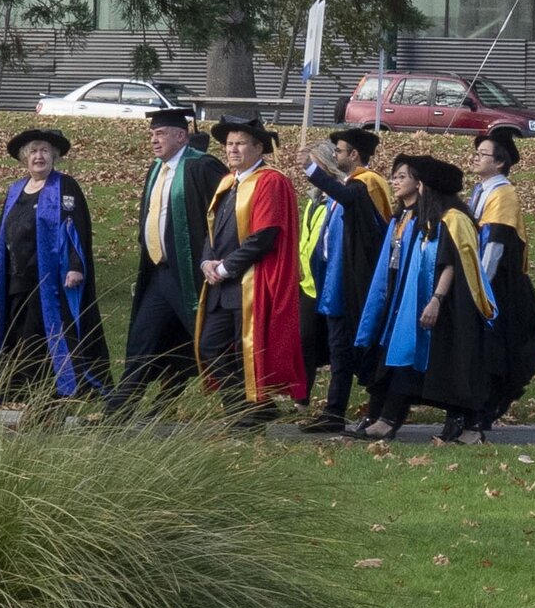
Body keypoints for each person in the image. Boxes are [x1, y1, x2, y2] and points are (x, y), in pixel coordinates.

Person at [359, 155, 499, 444]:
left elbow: (452, 264)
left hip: (454, 308)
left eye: (419, 182)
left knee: (456, 366)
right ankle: (388, 419)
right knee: (412, 360)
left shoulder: (455, 220)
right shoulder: (430, 220)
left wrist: (436, 299)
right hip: (429, 304)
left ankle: (468, 427)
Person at [0, 125, 105, 399]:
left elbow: (75, 227)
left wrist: (74, 265)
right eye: (33, 151)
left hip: (49, 278)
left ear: (54, 155)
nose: (39, 156)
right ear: (24, 157)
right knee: (16, 332)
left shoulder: (64, 186)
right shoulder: (16, 189)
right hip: (16, 277)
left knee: (38, 335)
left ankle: (54, 390)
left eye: (44, 151)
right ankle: (17, 389)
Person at [195, 116, 310, 415]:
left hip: (252, 283)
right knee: (210, 346)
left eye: (240, 144)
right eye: (229, 144)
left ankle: (249, 413)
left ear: (259, 147)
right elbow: (212, 230)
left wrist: (224, 268)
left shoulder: (270, 181)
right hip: (224, 286)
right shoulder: (227, 182)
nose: (232, 149)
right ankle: (249, 407)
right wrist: (207, 260)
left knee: (246, 352)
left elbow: (264, 237)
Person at [109, 107, 218, 409]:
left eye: (160, 134)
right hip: (158, 272)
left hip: (190, 274)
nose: (154, 141)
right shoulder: (157, 168)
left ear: (181, 136)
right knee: (142, 339)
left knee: (206, 342)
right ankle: (119, 409)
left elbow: (221, 219)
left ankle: (246, 403)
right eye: (152, 135)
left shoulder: (203, 167)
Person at [299, 129, 392, 432]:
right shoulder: (346, 188)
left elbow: (354, 203)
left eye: (339, 151)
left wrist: (311, 168)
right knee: (340, 350)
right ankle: (333, 411)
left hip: (358, 282)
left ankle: (380, 410)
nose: (336, 155)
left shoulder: (368, 183)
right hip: (335, 281)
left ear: (354, 154)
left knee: (363, 349)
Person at [467, 129, 535, 426]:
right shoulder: (481, 190)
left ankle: (487, 409)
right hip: (484, 282)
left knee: (496, 351)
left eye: (482, 154)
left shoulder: (503, 194)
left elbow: (495, 245)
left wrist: (480, 289)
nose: (475, 159)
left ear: (500, 163)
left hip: (499, 285)